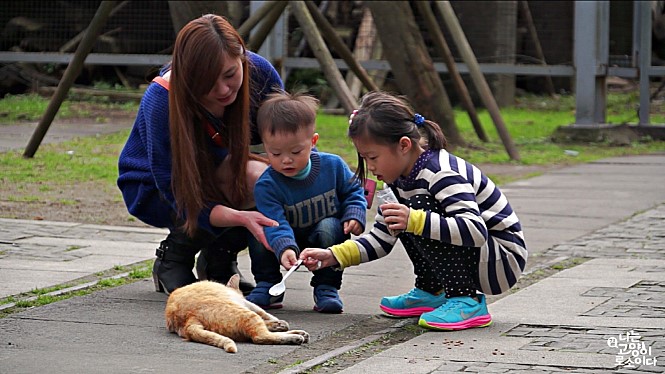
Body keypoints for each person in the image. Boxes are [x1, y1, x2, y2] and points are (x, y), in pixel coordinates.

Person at [299, 91, 528, 330]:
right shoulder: (398, 182)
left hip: (499, 260)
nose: (370, 166)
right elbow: (381, 238)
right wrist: (334, 256)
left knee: (416, 210)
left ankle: (467, 300)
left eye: (373, 157)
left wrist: (415, 219)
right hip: (479, 256)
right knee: (407, 213)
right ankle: (432, 290)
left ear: (404, 146)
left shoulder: (441, 173)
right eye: (365, 158)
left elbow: (474, 230)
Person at [117, 14, 284, 295]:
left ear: (242, 56)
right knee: (248, 178)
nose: (222, 90)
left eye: (230, 75)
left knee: (267, 179)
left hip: (221, 176)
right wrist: (240, 217)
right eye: (207, 82)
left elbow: (291, 138)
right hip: (156, 189)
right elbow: (174, 189)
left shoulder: (261, 74)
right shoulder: (161, 100)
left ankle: (219, 257)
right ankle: (173, 259)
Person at [250, 90, 367, 313]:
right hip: (284, 234)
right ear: (265, 148)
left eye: (295, 151)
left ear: (313, 142)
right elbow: (274, 221)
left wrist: (354, 213)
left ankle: (326, 287)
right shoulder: (267, 185)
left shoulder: (333, 166)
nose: (286, 160)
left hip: (321, 235)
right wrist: (284, 247)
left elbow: (353, 190)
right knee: (260, 230)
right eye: (275, 153)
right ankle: (268, 283)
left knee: (331, 226)